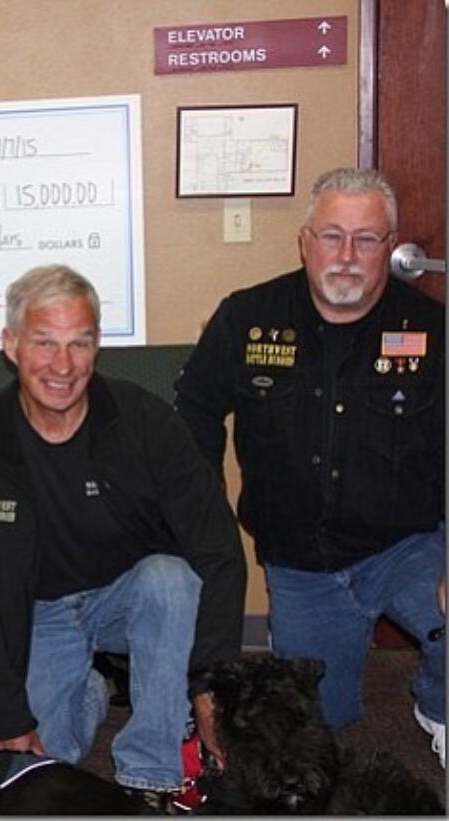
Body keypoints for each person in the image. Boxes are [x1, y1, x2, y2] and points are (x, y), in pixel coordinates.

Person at [0, 265, 246, 808]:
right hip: (40, 611)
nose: (63, 365)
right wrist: (7, 718)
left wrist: (207, 687)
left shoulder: (147, 422)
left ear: (97, 345)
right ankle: (95, 690)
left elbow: (219, 551)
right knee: (43, 764)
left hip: (131, 596)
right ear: (11, 345)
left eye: (79, 343)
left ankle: (153, 770)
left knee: (171, 579)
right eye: (44, 343)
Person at [174, 167, 446, 766]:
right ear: (304, 241)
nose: (347, 256)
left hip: (408, 547)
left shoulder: (432, 330)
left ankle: (437, 704)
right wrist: (206, 511)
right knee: (321, 724)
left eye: (367, 239)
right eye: (331, 236)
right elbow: (193, 411)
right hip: (302, 565)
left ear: (390, 247)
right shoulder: (246, 318)